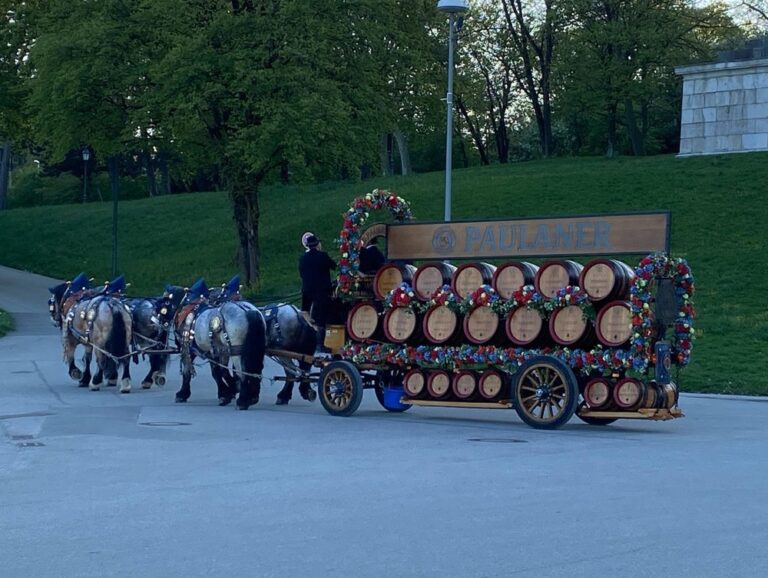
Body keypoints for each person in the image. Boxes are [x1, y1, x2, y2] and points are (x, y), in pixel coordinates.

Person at [299, 235, 336, 354]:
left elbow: (301, 273)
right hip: (322, 292)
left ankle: (309, 327)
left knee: (305, 311)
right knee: (324, 318)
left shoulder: (303, 258)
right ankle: (321, 344)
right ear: (317, 245)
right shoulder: (323, 256)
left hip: (307, 292)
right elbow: (334, 266)